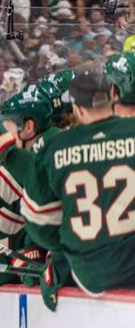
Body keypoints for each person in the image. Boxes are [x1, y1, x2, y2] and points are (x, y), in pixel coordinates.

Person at [22, 66, 135, 294]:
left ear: (77, 108)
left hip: (89, 272)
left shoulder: (55, 148)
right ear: (113, 96)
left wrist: (61, 250)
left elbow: (37, 220)